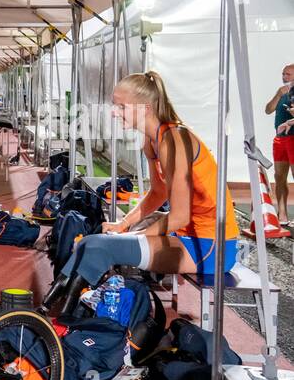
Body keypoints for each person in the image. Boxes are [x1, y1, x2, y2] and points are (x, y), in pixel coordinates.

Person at [44, 71, 240, 315]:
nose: (114, 113)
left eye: (121, 107)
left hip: (211, 246)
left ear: (145, 108)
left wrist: (135, 237)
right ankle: (50, 304)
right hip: (189, 233)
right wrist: (123, 225)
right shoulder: (153, 140)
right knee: (90, 242)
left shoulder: (174, 141)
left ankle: (64, 316)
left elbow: (179, 216)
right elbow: (158, 193)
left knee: (101, 246)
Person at [263, 62, 294, 226]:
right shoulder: (281, 92)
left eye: (288, 74)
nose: (284, 77)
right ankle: (282, 214)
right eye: (283, 74)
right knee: (279, 176)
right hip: (280, 138)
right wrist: (277, 94)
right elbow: (268, 110)